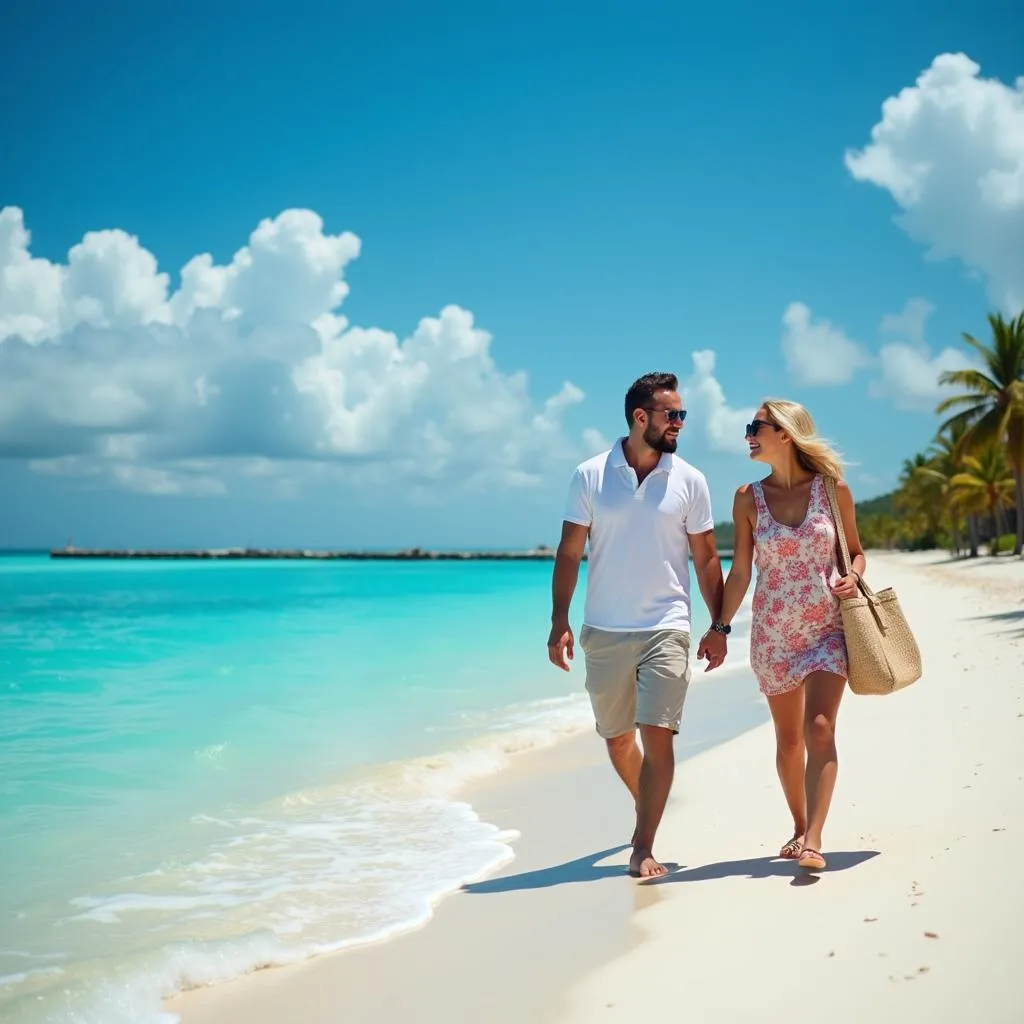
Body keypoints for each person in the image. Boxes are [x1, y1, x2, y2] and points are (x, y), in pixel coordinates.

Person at [547, 371, 728, 879]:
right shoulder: (589, 475)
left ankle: (643, 845)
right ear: (639, 417)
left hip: (667, 625)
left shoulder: (690, 480)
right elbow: (569, 551)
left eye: (682, 415)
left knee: (659, 735)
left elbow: (707, 558)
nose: (680, 424)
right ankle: (646, 802)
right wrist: (559, 619)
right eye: (673, 415)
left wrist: (719, 625)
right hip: (604, 628)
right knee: (618, 740)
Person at [717, 399, 865, 872]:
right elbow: (740, 572)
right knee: (788, 741)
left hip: (827, 628)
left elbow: (855, 554)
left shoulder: (832, 490)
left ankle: (816, 839)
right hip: (773, 637)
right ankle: (799, 827)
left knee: (818, 727)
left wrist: (854, 578)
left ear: (785, 432)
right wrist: (720, 627)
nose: (748, 435)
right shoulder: (747, 498)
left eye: (754, 427)